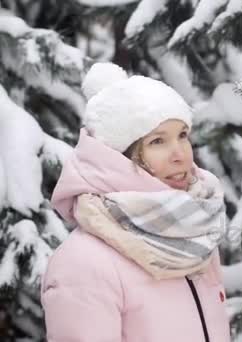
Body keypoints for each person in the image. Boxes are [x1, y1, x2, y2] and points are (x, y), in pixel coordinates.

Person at [41, 62, 231, 342]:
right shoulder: (83, 264)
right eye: (157, 141)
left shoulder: (195, 234)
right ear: (118, 157)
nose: (181, 155)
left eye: (182, 135)